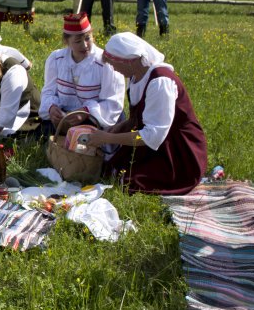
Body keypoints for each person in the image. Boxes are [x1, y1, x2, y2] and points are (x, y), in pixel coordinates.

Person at [84, 33, 207, 195]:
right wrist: (119, 128)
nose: (114, 69)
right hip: (152, 144)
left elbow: (153, 135)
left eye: (115, 64)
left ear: (131, 61)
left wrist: (107, 138)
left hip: (177, 150)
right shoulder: (136, 77)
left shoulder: (160, 82)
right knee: (110, 170)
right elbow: (137, 117)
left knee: (129, 182)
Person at [39, 13, 125, 134]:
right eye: (78, 41)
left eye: (87, 38)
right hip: (65, 117)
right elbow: (48, 91)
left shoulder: (105, 63)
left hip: (96, 118)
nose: (84, 45)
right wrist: (52, 107)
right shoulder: (56, 59)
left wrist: (86, 111)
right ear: (67, 42)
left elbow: (112, 102)